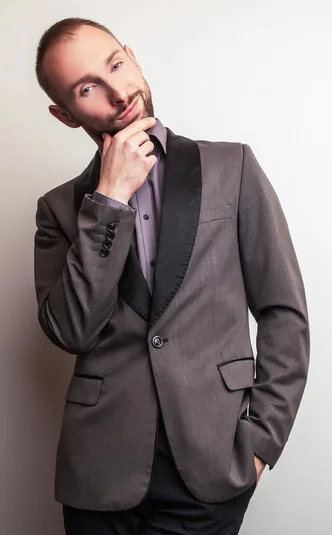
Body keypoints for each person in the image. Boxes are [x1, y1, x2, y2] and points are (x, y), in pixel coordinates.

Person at [33, 17, 310, 535]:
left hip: (211, 466)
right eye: (88, 87)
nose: (119, 93)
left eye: (116, 64)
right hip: (99, 474)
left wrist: (261, 442)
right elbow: (72, 330)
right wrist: (109, 201)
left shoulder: (234, 169)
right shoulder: (60, 209)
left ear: (133, 57)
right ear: (65, 114)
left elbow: (284, 311)